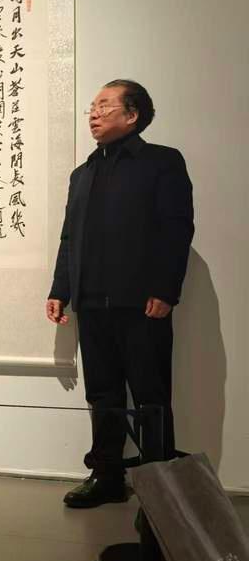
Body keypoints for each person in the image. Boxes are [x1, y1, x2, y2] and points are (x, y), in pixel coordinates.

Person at [46, 80, 194, 508]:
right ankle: (107, 475)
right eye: (92, 107)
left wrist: (166, 289)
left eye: (104, 106)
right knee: (102, 394)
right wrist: (60, 289)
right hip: (92, 304)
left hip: (142, 304)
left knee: (151, 396)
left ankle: (161, 486)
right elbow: (69, 238)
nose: (94, 114)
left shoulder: (162, 162)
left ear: (132, 115)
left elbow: (177, 229)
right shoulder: (82, 174)